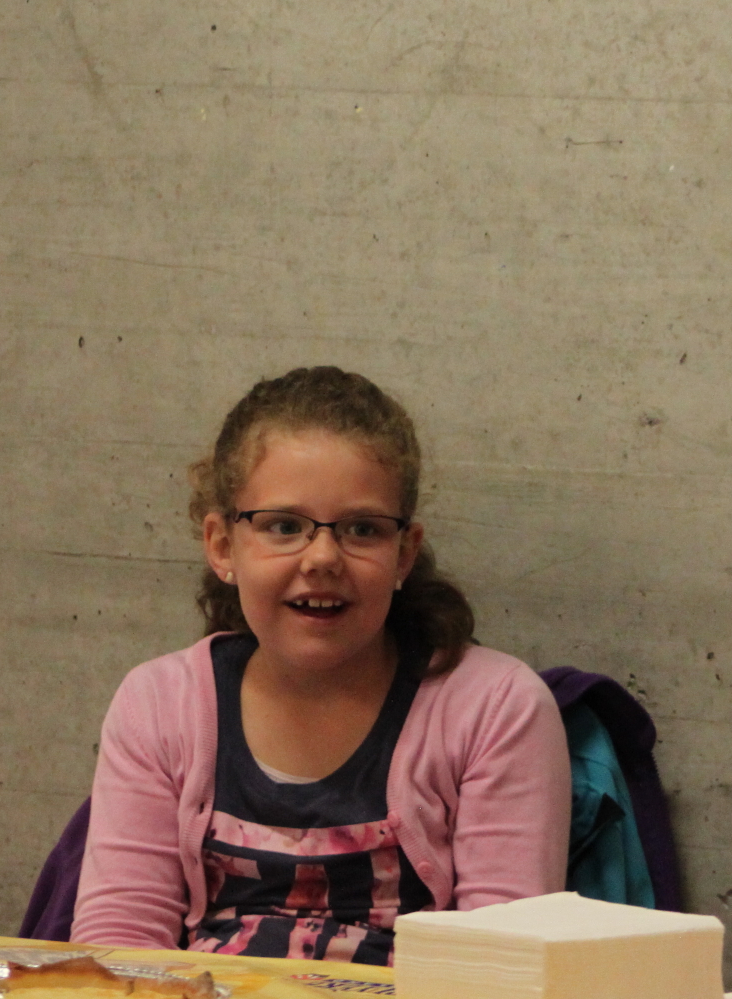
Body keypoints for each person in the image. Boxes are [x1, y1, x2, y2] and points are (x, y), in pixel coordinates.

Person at [72, 367, 570, 961]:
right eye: (284, 526)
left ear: (404, 553)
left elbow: (502, 964)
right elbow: (119, 948)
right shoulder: (158, 704)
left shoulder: (493, 707)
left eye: (362, 529)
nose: (323, 558)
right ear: (223, 546)